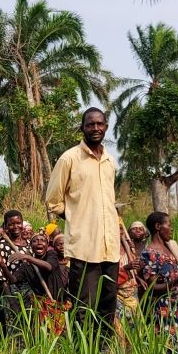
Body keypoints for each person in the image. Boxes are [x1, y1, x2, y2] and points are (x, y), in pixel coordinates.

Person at [45, 107, 121, 338]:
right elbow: (53, 201)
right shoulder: (69, 158)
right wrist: (76, 218)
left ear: (106, 127)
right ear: (82, 128)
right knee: (84, 307)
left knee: (107, 305)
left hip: (111, 248)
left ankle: (103, 350)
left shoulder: (109, 161)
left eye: (99, 124)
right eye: (90, 124)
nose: (95, 128)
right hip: (84, 248)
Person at [0, 231, 67, 335]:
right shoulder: (27, 266)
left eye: (42, 240)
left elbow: (49, 267)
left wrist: (27, 257)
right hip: (41, 307)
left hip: (58, 302)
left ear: (47, 245)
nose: (39, 242)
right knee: (43, 335)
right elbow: (13, 279)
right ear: (31, 246)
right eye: (35, 241)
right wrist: (2, 264)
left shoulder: (51, 254)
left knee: (61, 335)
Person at [138, 212, 178, 345]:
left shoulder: (168, 248)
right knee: (168, 348)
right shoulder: (150, 253)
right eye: (169, 225)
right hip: (165, 311)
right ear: (158, 226)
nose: (171, 229)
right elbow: (152, 288)